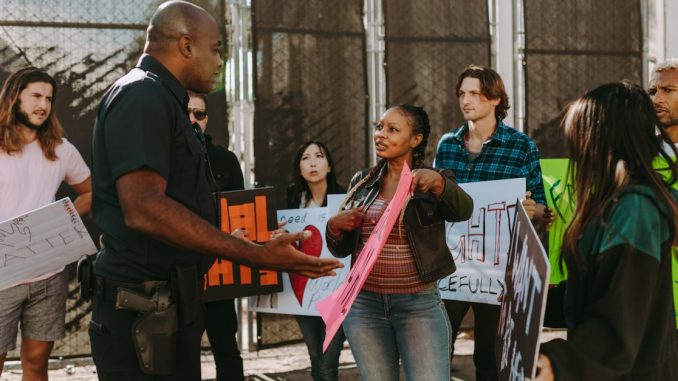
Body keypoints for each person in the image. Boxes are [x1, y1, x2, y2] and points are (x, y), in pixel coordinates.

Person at [89, 2, 342, 380]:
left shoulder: (165, 99)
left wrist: (228, 242)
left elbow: (173, 205)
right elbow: (143, 208)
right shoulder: (143, 96)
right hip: (142, 310)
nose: (221, 60)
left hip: (168, 305)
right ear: (186, 45)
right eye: (217, 48)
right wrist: (253, 255)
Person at [532, 82, 678, 380]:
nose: (575, 150)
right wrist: (535, 299)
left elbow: (619, 320)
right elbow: (598, 293)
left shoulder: (636, 209)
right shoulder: (616, 202)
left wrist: (557, 362)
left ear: (601, 140)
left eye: (578, 138)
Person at [326, 105, 474, 380]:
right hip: (364, 307)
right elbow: (343, 248)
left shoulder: (432, 180)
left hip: (418, 307)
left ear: (415, 139)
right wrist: (334, 227)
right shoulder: (362, 181)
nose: (381, 135)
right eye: (379, 127)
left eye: (392, 129)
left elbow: (463, 210)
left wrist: (440, 183)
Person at [433, 64, 551, 381]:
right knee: (435, 346)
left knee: (490, 355)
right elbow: (436, 204)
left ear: (495, 98)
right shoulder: (447, 145)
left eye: (474, 93)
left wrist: (531, 208)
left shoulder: (521, 145)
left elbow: (543, 209)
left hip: (497, 269)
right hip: (452, 266)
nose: (466, 100)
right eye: (461, 93)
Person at [0, 67, 92, 379]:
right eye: (36, 96)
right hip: (2, 273)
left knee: (37, 363)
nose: (44, 105)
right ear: (15, 98)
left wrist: (63, 224)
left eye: (49, 99)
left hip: (48, 273)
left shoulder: (61, 149)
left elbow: (90, 191)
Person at [187, 91, 245, 381]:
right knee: (182, 352)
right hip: (182, 271)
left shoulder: (224, 159)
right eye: (188, 112)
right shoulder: (164, 156)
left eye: (199, 114)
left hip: (219, 269)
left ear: (207, 119)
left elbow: (242, 209)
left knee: (225, 344)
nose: (193, 119)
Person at [286, 140, 347, 381]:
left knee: (328, 362)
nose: (312, 162)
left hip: (336, 291)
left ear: (329, 166)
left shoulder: (344, 199)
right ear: (299, 168)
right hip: (304, 291)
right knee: (315, 359)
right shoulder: (293, 201)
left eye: (319, 156)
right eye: (305, 158)